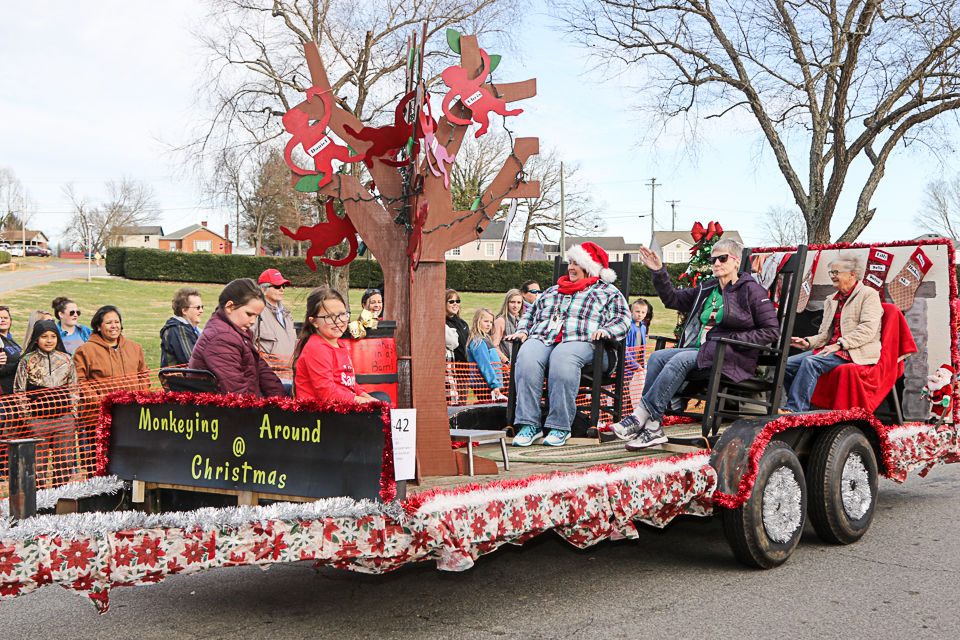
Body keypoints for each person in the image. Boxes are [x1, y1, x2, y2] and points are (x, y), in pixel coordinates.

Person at [609, 239, 779, 450]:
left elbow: (771, 332)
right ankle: (652, 426)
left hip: (731, 356)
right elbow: (672, 300)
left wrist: (731, 339)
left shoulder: (751, 291)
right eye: (713, 259)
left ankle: (641, 416)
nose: (716, 263)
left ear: (737, 262)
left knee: (680, 359)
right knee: (656, 357)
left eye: (722, 258)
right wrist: (659, 271)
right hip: (702, 352)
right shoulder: (708, 288)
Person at [508, 242, 631, 448]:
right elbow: (529, 313)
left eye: (576, 264)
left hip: (587, 343)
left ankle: (560, 426)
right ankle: (529, 424)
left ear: (589, 267)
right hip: (545, 337)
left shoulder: (608, 292)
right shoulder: (552, 291)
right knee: (527, 355)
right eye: (570, 263)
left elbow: (623, 319)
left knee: (562, 357)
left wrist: (607, 331)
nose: (570, 268)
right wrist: (522, 330)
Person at [782, 255, 882, 412]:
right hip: (831, 349)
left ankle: (795, 410)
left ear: (852, 274)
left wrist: (839, 345)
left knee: (810, 362)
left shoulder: (869, 294)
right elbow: (824, 334)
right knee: (786, 365)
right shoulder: (831, 300)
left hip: (853, 351)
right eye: (830, 272)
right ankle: (803, 407)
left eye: (836, 271)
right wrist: (807, 342)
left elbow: (868, 329)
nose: (832, 275)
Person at [189, 278, 286, 397]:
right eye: (249, 314)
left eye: (256, 316)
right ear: (230, 307)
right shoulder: (220, 338)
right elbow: (235, 390)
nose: (252, 321)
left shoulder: (239, 333)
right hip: (220, 411)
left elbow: (263, 371)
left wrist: (282, 402)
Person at [293, 286, 386, 404]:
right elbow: (327, 393)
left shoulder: (339, 344)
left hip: (342, 404)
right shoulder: (317, 347)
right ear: (314, 322)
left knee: (382, 398)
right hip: (323, 412)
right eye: (330, 317)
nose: (338, 321)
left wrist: (367, 397)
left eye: (342, 314)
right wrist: (364, 401)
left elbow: (350, 383)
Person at [14, 320, 79, 486]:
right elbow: (19, 391)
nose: (49, 340)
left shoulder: (66, 359)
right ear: (36, 338)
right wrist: (27, 418)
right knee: (38, 466)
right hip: (38, 421)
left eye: (53, 336)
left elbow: (74, 388)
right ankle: (42, 502)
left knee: (65, 461)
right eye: (44, 336)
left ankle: (62, 497)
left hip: (64, 419)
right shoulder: (27, 361)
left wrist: (73, 414)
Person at [74, 306, 149, 389]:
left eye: (117, 322)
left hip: (135, 401)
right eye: (108, 323)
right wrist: (97, 399)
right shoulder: (85, 351)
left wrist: (140, 395)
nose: (114, 326)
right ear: (98, 327)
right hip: (101, 402)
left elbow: (144, 375)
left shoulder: (135, 348)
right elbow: (80, 381)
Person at [467, 308, 508, 402]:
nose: (489, 324)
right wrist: (494, 385)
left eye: (491, 322)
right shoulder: (478, 341)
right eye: (486, 321)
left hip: (491, 384)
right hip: (485, 386)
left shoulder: (486, 339)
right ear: (477, 321)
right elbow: (485, 365)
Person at [255, 268, 297, 357]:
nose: (282, 289)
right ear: (263, 289)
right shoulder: (256, 313)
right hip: (267, 370)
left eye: (283, 286)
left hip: (290, 370)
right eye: (277, 286)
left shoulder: (287, 315)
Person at [160, 287, 204, 367]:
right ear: (184, 311)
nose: (201, 311)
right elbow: (192, 361)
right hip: (178, 379)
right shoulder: (176, 330)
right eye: (197, 307)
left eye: (202, 307)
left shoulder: (195, 330)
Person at [491, 289, 523, 361]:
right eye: (512, 302)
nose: (515, 305)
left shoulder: (520, 321)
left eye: (518, 302)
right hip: (504, 366)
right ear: (507, 303)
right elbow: (494, 346)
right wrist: (506, 361)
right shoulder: (500, 321)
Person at [626, 298, 653, 369]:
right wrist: (634, 365)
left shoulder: (643, 327)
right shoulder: (628, 327)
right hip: (628, 366)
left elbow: (642, 348)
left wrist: (642, 364)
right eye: (637, 312)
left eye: (643, 312)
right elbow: (624, 349)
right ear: (631, 312)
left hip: (639, 365)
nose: (640, 315)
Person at [0, 305, 21, 394]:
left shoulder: (11, 340)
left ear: (10, 320)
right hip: (3, 392)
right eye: (0, 318)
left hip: (14, 391)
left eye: (6, 318)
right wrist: (19, 365)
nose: (3, 320)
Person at [445, 289, 469, 363]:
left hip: (466, 366)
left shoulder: (463, 323)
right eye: (451, 302)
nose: (455, 304)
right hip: (451, 367)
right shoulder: (443, 324)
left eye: (457, 301)